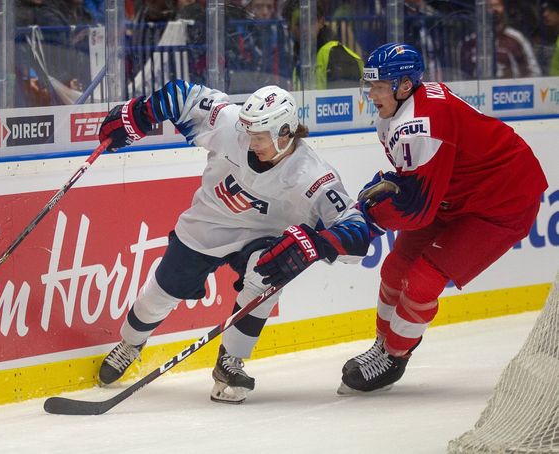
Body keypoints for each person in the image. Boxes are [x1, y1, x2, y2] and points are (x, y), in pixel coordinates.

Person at [96, 79, 371, 403]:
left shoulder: (312, 175)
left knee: (269, 275)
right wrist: (137, 115)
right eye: (249, 132)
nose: (251, 142)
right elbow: (182, 97)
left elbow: (357, 233)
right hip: (206, 226)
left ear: (286, 133)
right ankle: (131, 343)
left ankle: (230, 361)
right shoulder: (230, 125)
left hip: (263, 236)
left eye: (260, 136)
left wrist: (315, 244)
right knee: (161, 293)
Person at [339, 43, 548, 394]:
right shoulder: (400, 110)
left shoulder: (418, 124)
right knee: (394, 269)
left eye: (378, 86)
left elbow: (416, 209)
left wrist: (367, 222)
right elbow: (418, 181)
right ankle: (382, 345)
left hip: (502, 203)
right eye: (370, 85)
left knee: (421, 281)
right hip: (454, 197)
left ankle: (394, 357)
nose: (371, 94)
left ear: (404, 85)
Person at [460, 0, 541, 79]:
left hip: (512, 90)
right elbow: (461, 75)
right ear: (482, 10)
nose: (494, 9)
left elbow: (535, 73)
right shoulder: (469, 42)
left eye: (497, 5)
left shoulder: (517, 39)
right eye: (489, 6)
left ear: (504, 8)